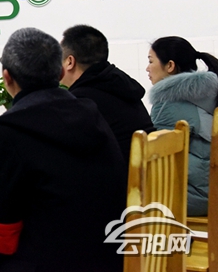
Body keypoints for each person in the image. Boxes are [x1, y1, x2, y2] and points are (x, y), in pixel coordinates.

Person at [0, 28, 125, 272]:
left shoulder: (8, 132)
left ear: (7, 77)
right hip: (110, 257)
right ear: (60, 72)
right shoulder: (90, 113)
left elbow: (1, 228)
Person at [60, 24, 154, 164]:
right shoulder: (118, 85)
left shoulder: (83, 100)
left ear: (70, 61)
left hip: (120, 175)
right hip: (148, 173)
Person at [146, 36, 218, 216]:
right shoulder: (208, 96)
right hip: (211, 190)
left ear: (170, 66)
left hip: (195, 198)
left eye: (151, 61)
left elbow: (156, 159)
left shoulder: (167, 104)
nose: (147, 68)